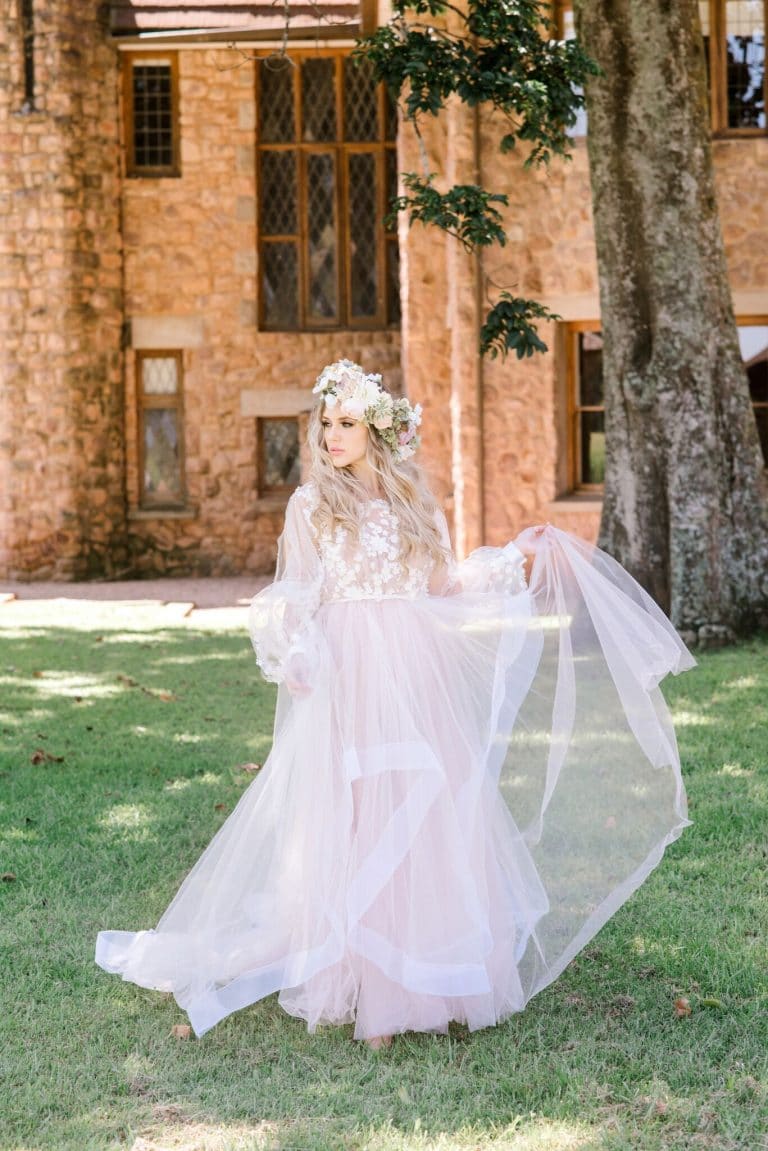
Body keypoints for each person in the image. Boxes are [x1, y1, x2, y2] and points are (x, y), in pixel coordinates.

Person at [96, 359, 694, 1050]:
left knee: (425, 811)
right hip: (352, 669)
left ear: (378, 430)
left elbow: (441, 584)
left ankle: (427, 975)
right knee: (360, 810)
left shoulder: (411, 499)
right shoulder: (312, 506)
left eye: (346, 423)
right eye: (326, 423)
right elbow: (297, 592)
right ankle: (364, 981)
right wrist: (294, 648)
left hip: (416, 671)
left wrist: (509, 560)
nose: (331, 436)